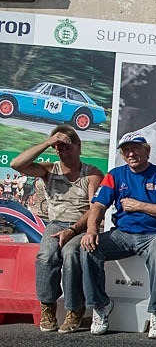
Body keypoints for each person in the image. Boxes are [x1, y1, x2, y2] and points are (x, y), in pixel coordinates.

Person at [80, 132, 156, 338]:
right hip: (122, 234)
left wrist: (140, 206)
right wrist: (91, 230)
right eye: (126, 150)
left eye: (135, 148)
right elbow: (98, 205)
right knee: (88, 248)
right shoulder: (115, 175)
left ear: (147, 151)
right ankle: (101, 306)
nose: (131, 153)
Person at [10, 124, 103, 333]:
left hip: (81, 225)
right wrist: (46, 143)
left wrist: (74, 229)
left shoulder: (92, 173)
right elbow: (17, 164)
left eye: (68, 147)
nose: (63, 152)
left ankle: (74, 308)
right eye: (59, 148)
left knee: (71, 254)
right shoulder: (49, 170)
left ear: (79, 147)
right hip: (55, 223)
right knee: (46, 255)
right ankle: (47, 306)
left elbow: (95, 208)